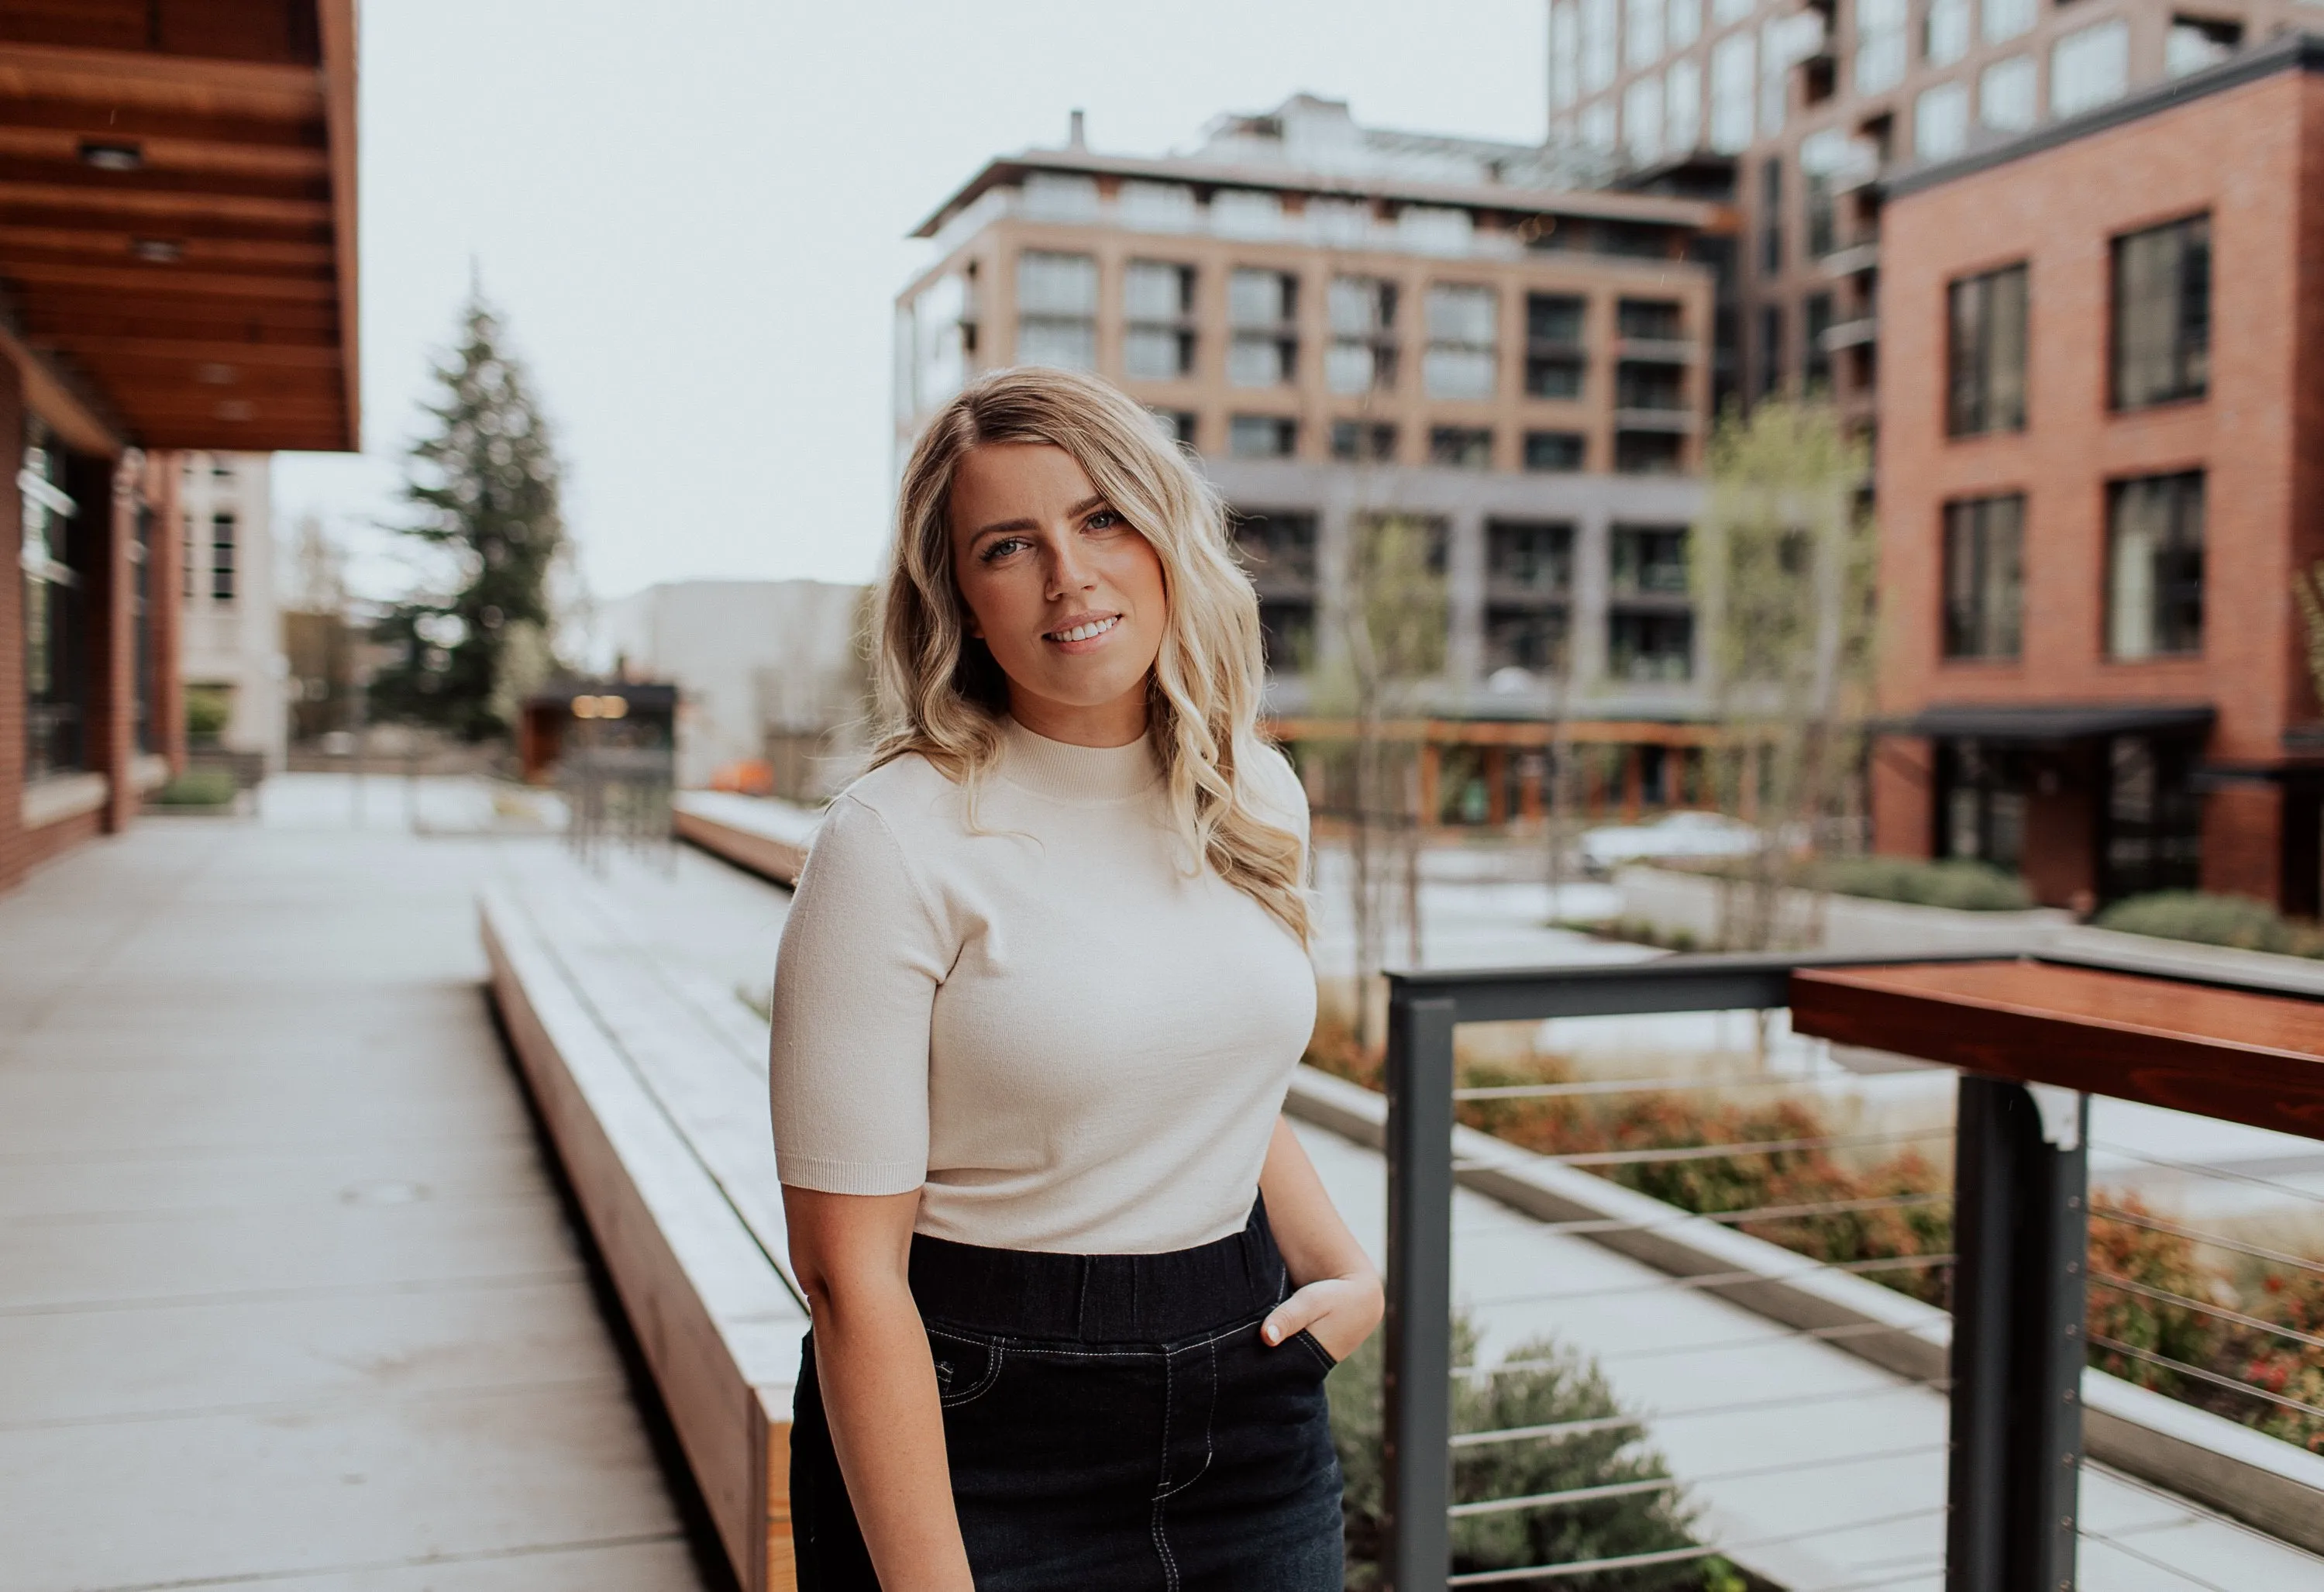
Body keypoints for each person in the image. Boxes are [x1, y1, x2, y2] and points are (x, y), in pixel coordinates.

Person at [768, 364, 1381, 1590]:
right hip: (974, 1422)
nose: (1070, 574)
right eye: (1009, 545)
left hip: (1246, 1415)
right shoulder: (891, 840)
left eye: (1101, 516)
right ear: (963, 602)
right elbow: (847, 1277)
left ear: (1165, 533)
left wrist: (1349, 1273)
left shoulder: (1248, 789)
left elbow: (1211, 1073)